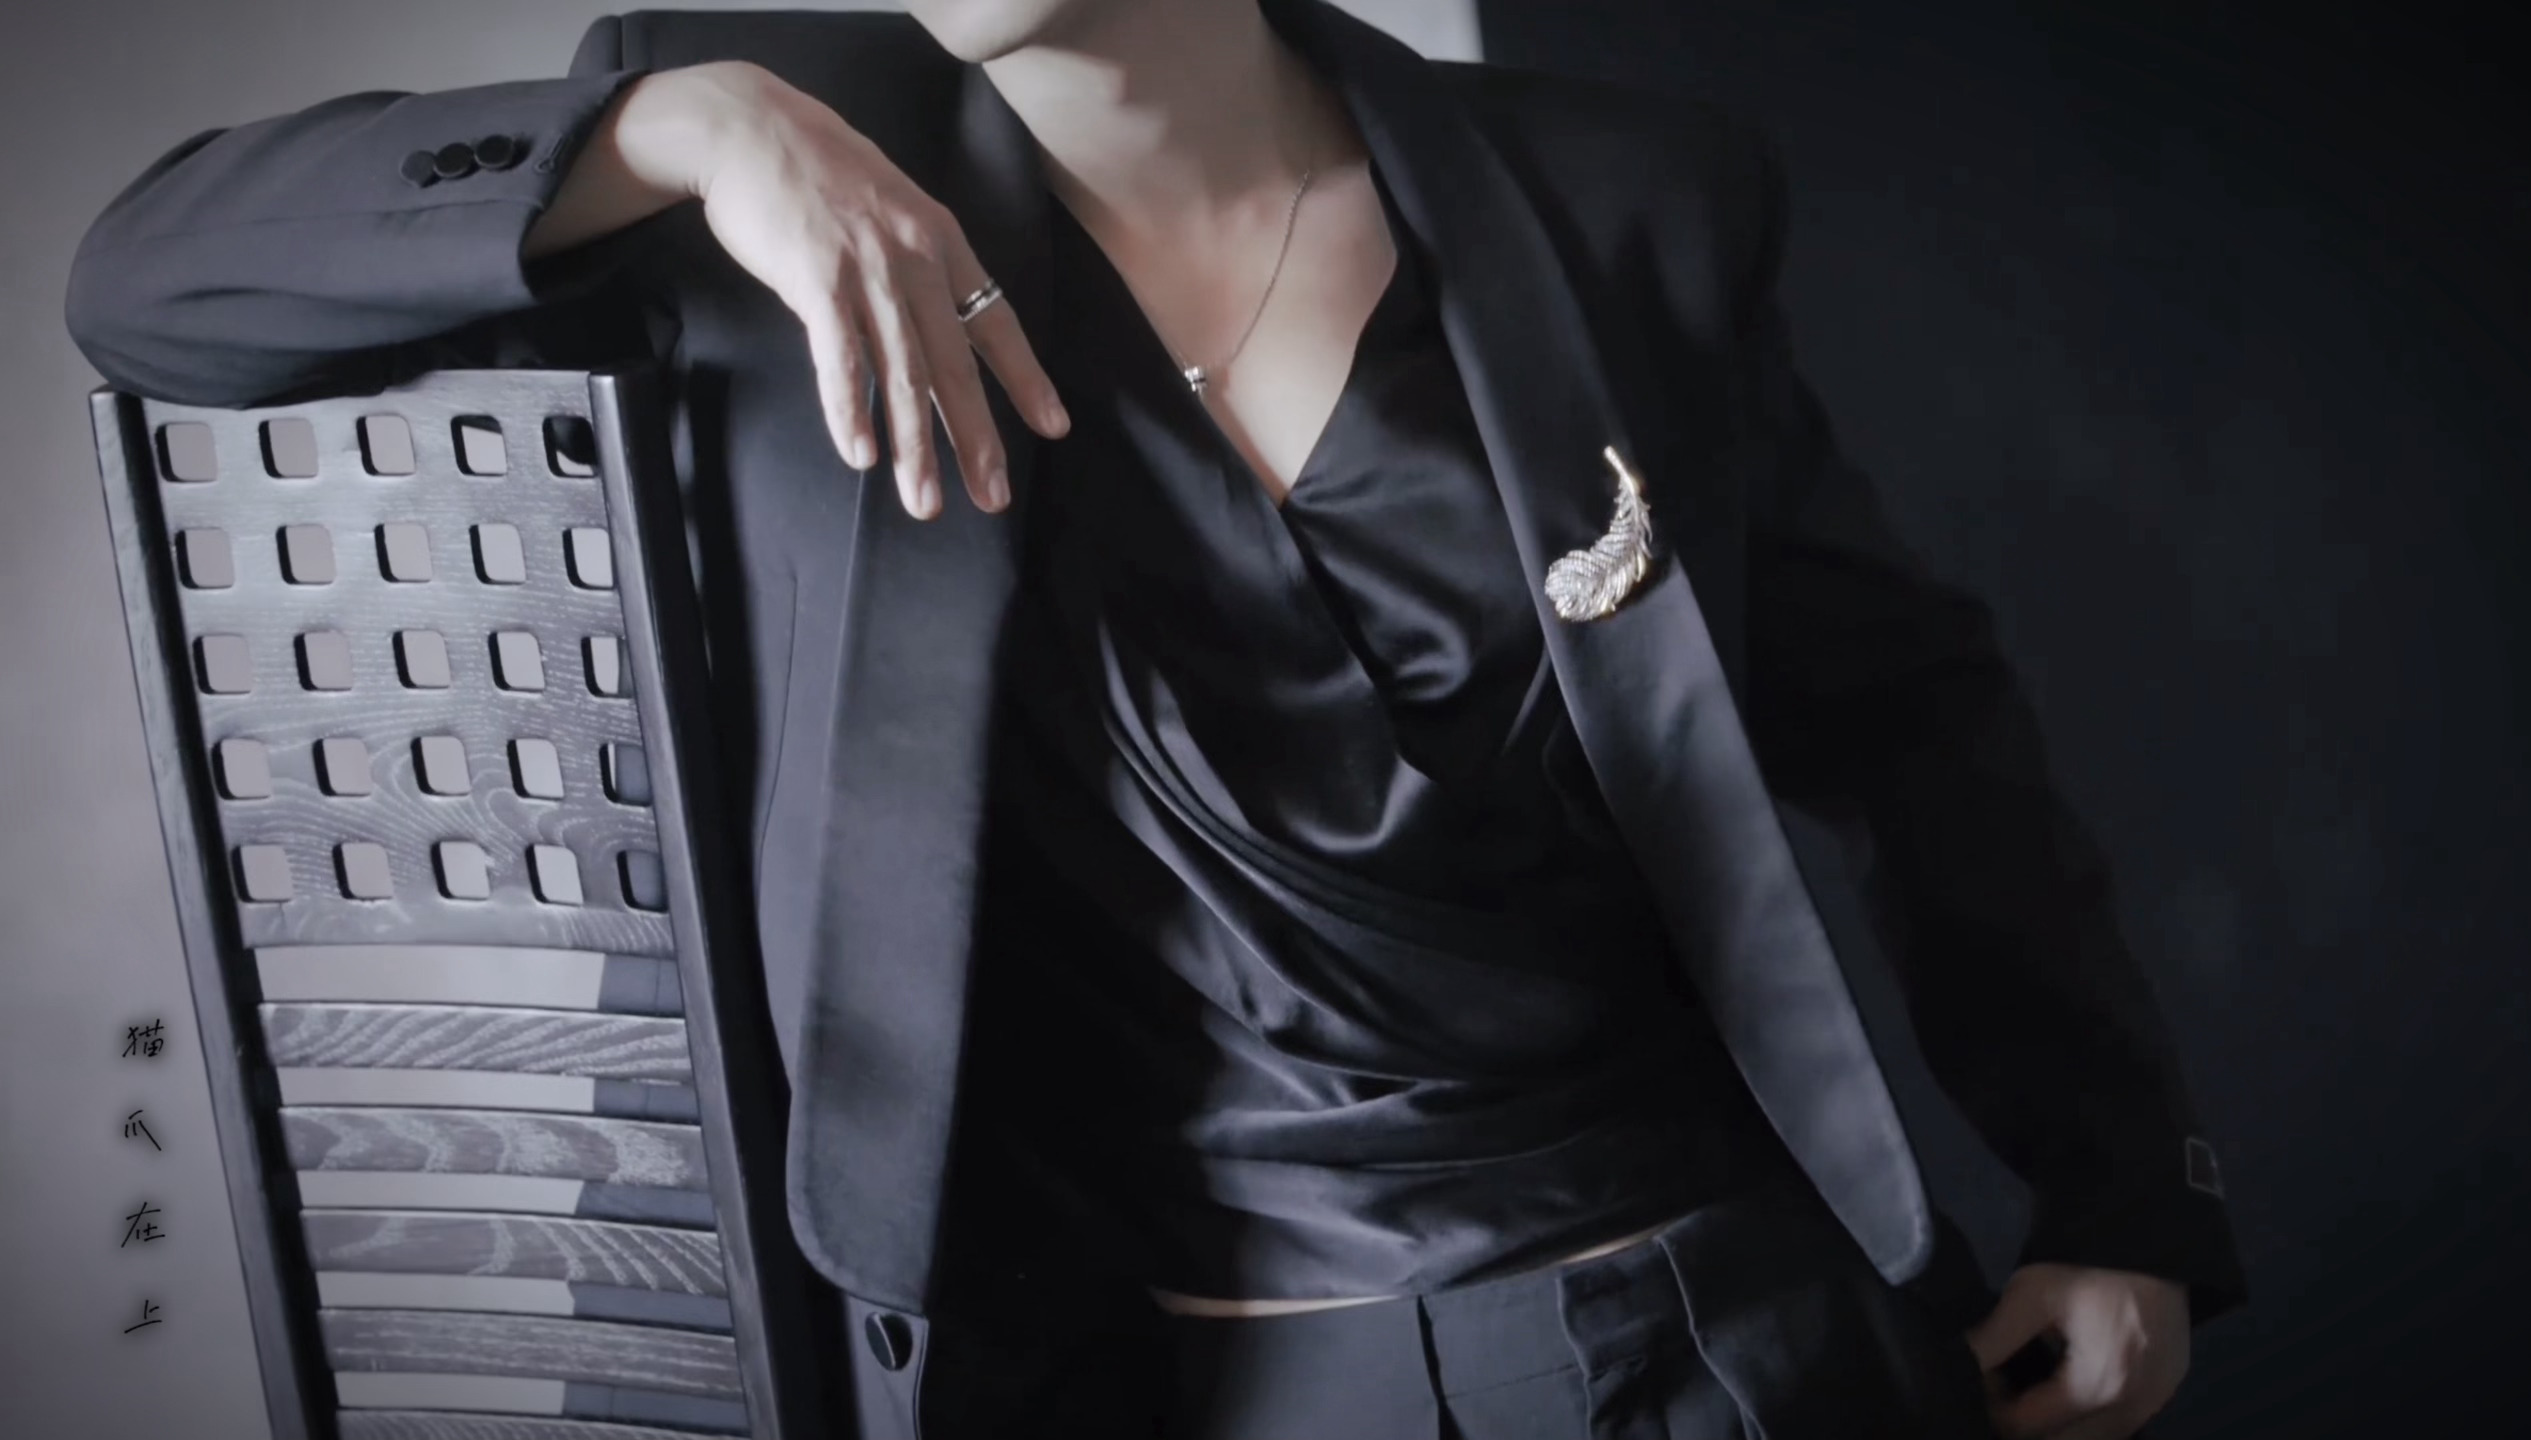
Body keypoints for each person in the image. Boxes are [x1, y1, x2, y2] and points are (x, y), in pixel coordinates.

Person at [65, 0, 2247, 1436]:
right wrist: (684, 123)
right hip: (1145, 1382)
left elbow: (1917, 722)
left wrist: (2115, 1196)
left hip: (1722, 1340)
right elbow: (145, 282)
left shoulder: (1621, 196)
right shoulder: (763, 198)